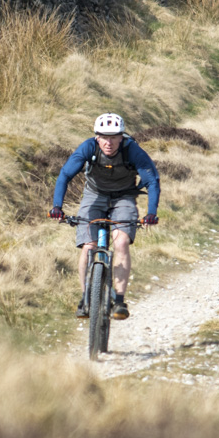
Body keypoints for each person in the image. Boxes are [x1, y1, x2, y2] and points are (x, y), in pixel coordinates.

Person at [49, 113, 161, 320]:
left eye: (114, 137)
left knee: (121, 243)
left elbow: (152, 181)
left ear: (121, 137)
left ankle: (119, 301)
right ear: (96, 137)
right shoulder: (88, 148)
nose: (109, 142)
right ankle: (85, 298)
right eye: (104, 137)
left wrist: (151, 213)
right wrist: (57, 206)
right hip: (94, 195)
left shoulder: (132, 150)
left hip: (124, 197)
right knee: (88, 246)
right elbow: (65, 175)